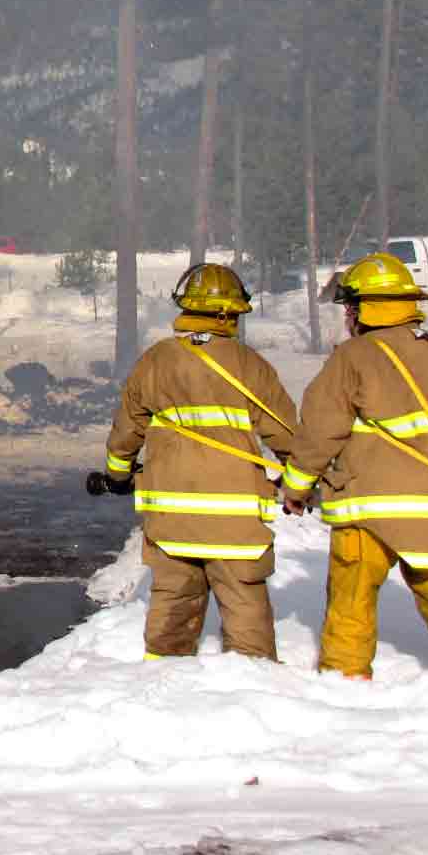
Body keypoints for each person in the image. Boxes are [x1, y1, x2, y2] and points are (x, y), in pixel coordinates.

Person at [280, 252, 428, 689]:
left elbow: (320, 431)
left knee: (352, 604)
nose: (346, 317)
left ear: (360, 309)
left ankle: (345, 685)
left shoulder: (353, 357)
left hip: (370, 511)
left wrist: (296, 488)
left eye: (348, 308)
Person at [103, 263, 296, 661]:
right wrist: (299, 482)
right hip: (235, 519)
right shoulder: (251, 366)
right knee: (246, 613)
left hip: (172, 516)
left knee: (171, 609)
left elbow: (126, 433)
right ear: (229, 313)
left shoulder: (155, 361)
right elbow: (288, 437)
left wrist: (117, 476)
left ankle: (161, 688)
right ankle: (253, 692)